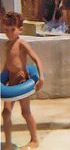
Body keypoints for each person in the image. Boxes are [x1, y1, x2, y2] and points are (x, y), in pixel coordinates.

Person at [1, 12, 44, 150]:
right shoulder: (7, 44)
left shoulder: (22, 44)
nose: (9, 33)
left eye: (12, 29)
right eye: (6, 30)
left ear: (20, 29)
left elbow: (36, 58)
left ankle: (34, 140)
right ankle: (8, 144)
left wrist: (41, 77)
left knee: (25, 112)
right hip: (10, 82)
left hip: (21, 81)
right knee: (5, 113)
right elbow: (7, 64)